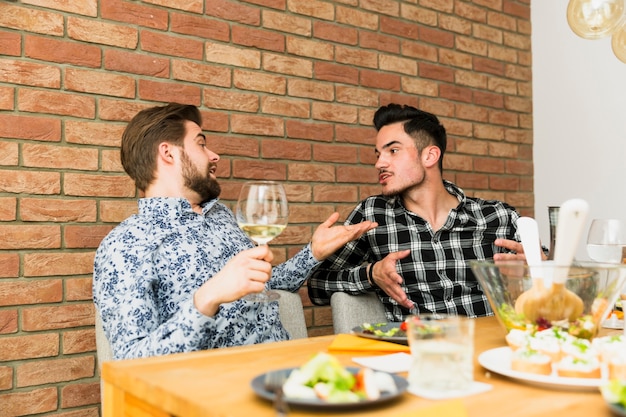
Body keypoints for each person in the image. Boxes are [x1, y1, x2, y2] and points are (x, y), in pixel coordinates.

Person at [93, 103, 376, 359]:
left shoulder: (221, 216)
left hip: (284, 376)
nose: (214, 155)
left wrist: (313, 253)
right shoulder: (125, 245)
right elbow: (131, 363)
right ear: (168, 153)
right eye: (201, 144)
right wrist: (206, 299)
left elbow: (264, 286)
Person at [307, 103, 526, 321]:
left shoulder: (498, 215)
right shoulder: (373, 214)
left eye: (393, 151)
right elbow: (317, 286)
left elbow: (549, 276)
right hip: (417, 349)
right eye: (378, 154)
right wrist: (371, 274)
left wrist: (535, 269)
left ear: (429, 156)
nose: (379, 163)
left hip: (494, 349)